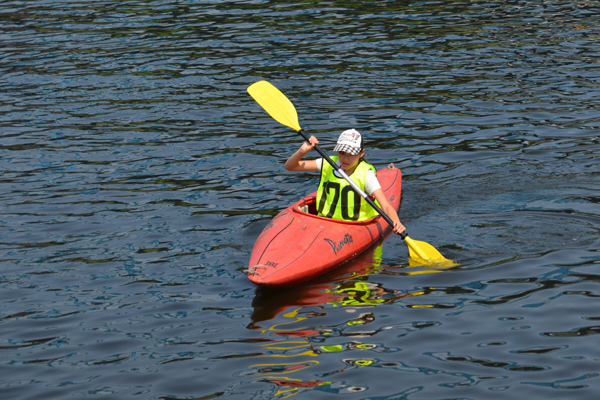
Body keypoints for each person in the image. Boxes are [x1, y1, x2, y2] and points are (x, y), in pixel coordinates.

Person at [284, 129, 405, 235]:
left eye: (351, 154)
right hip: (323, 224)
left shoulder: (366, 175)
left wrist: (397, 223)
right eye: (341, 153)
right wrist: (302, 151)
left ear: (361, 153)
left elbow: (385, 206)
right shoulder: (327, 163)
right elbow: (290, 167)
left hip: (354, 226)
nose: (345, 159)